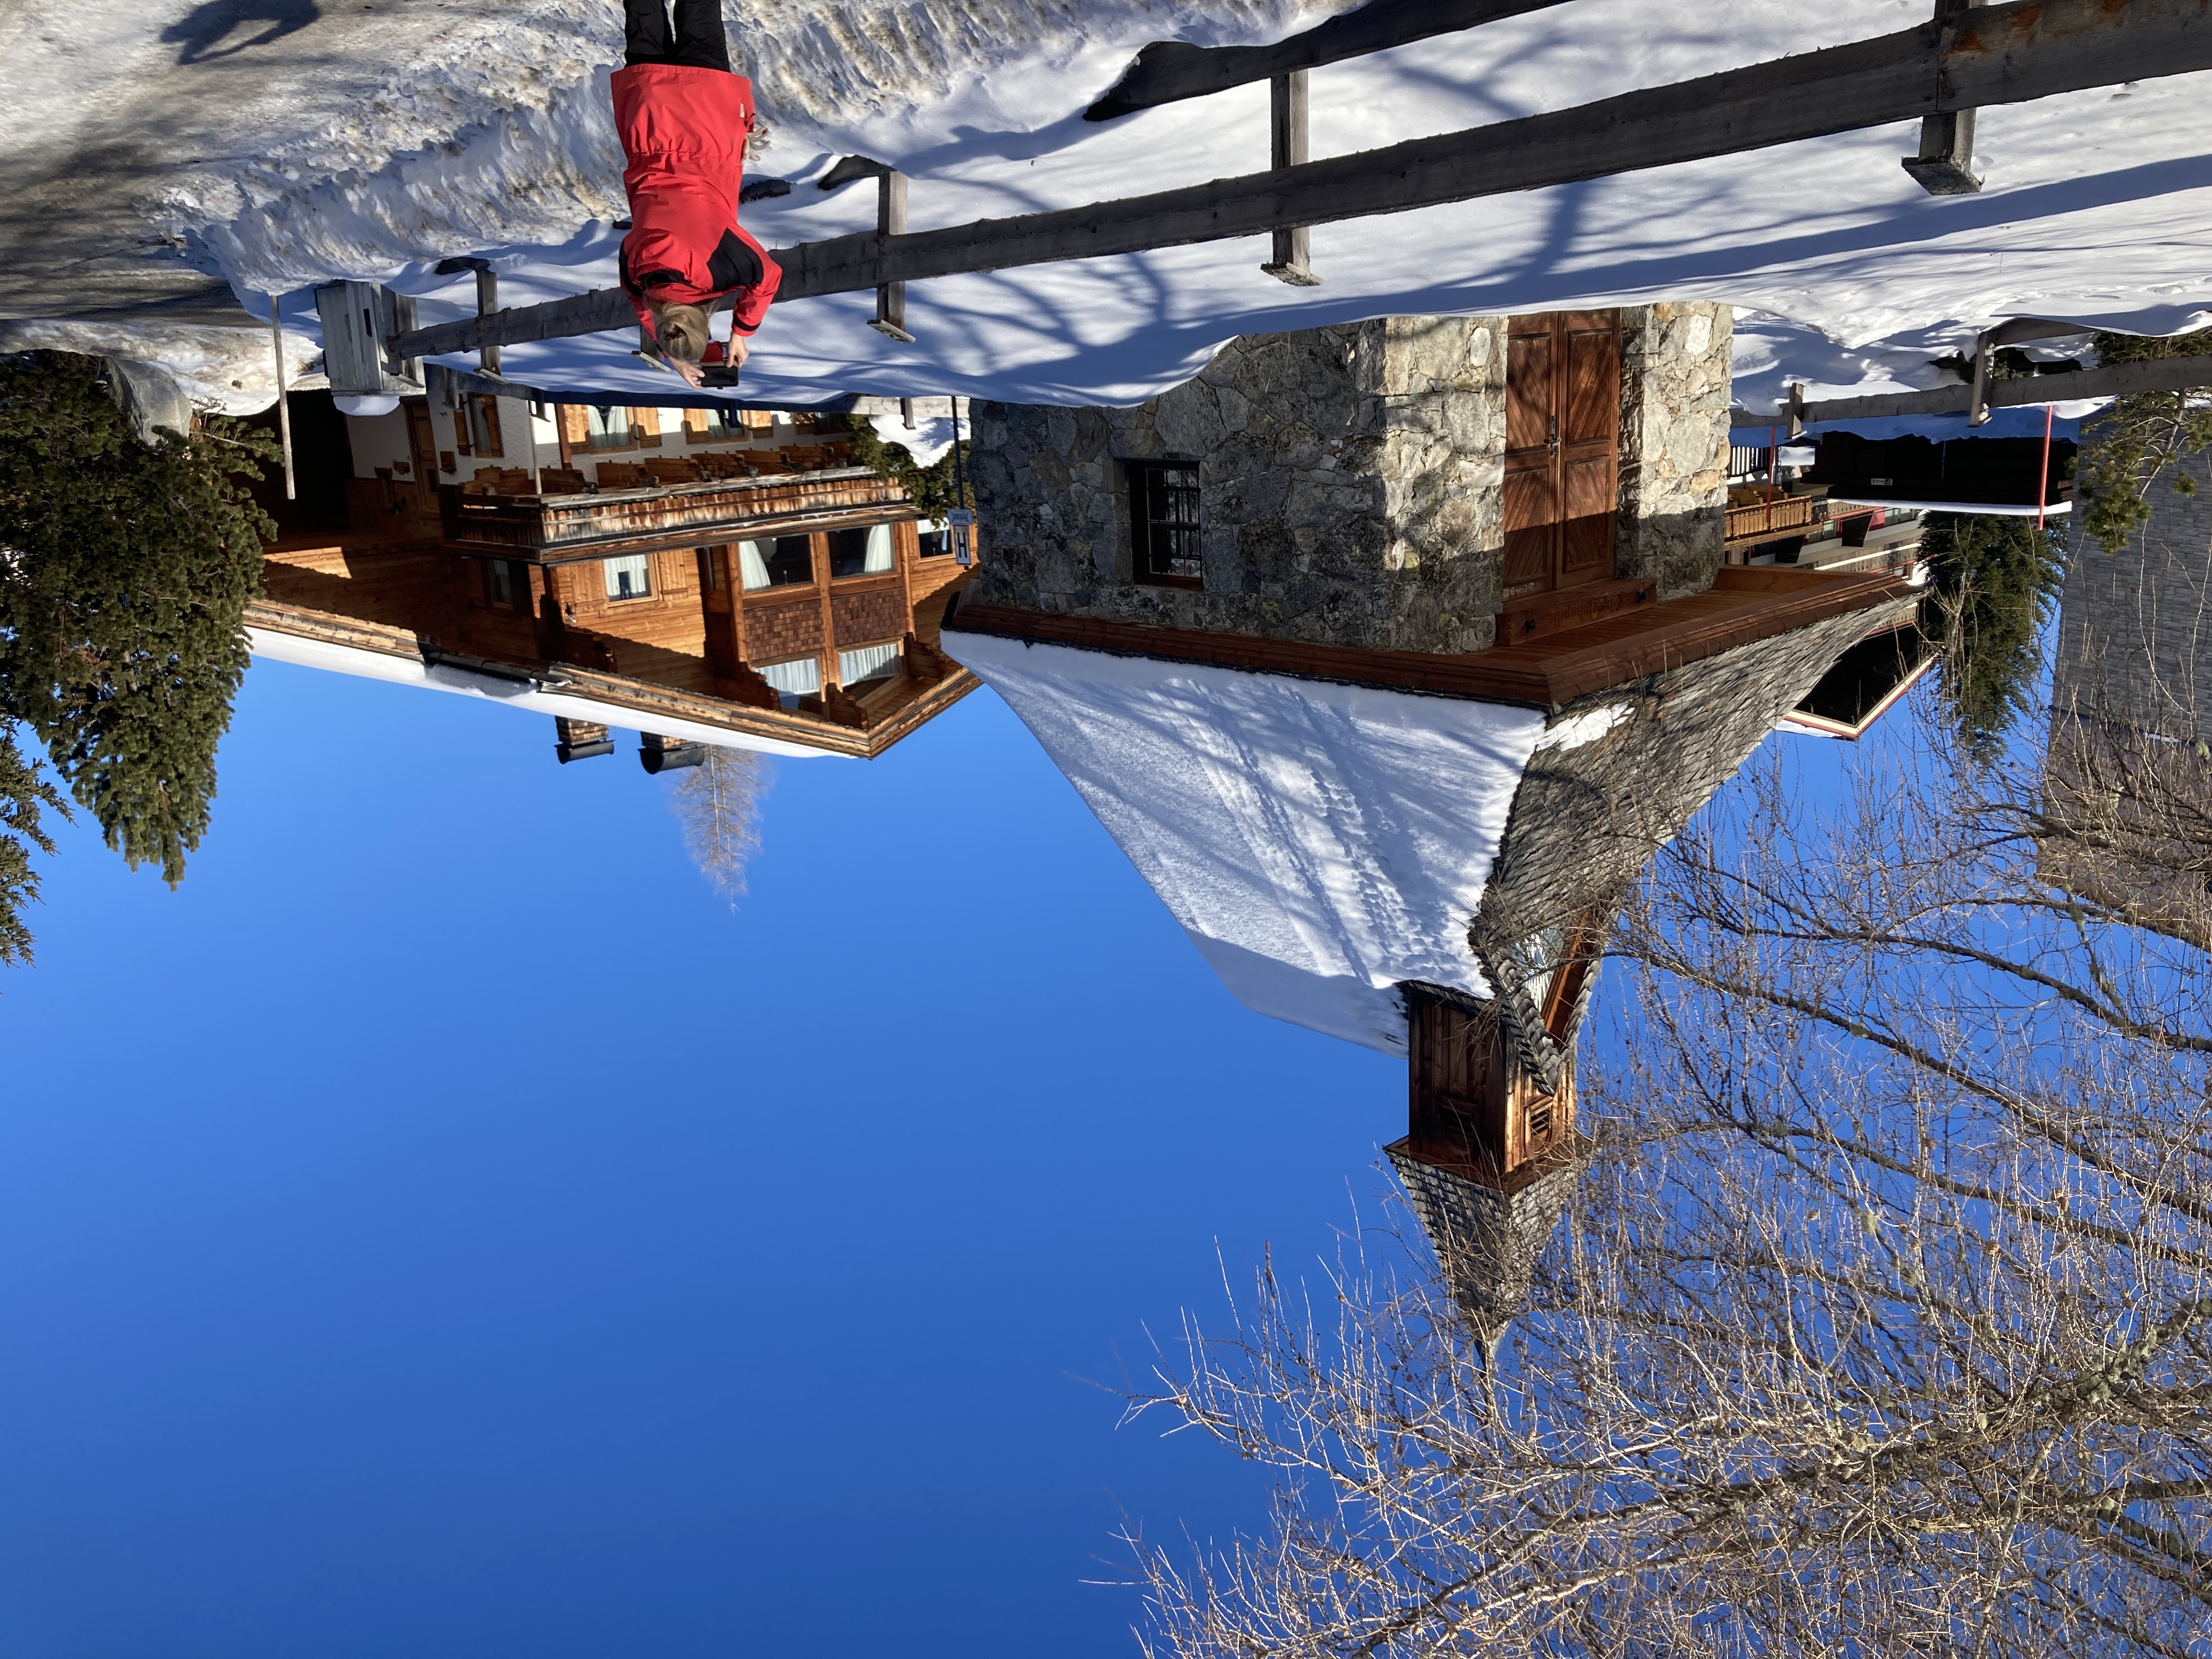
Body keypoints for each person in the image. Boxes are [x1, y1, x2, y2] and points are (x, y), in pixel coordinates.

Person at [613, 0, 781, 387]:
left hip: (704, 117)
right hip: (649, 118)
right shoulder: (638, 272)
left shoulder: (721, 269)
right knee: (643, 20)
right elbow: (642, 307)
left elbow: (768, 278)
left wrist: (742, 332)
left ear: (706, 323)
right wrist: (673, 354)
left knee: (699, 14)